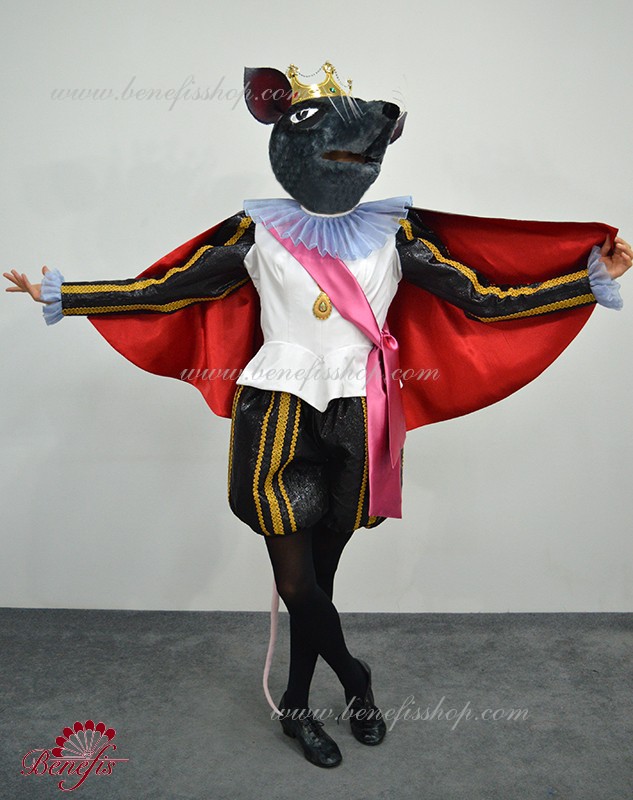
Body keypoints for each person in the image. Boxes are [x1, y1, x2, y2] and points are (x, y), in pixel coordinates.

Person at [5, 62, 633, 770]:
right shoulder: (259, 233)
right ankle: (356, 679)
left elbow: (484, 300)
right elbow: (165, 292)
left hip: (362, 413)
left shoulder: (395, 235)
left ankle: (298, 707)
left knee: (321, 584)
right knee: (297, 584)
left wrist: (588, 281)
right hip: (275, 411)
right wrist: (65, 295)